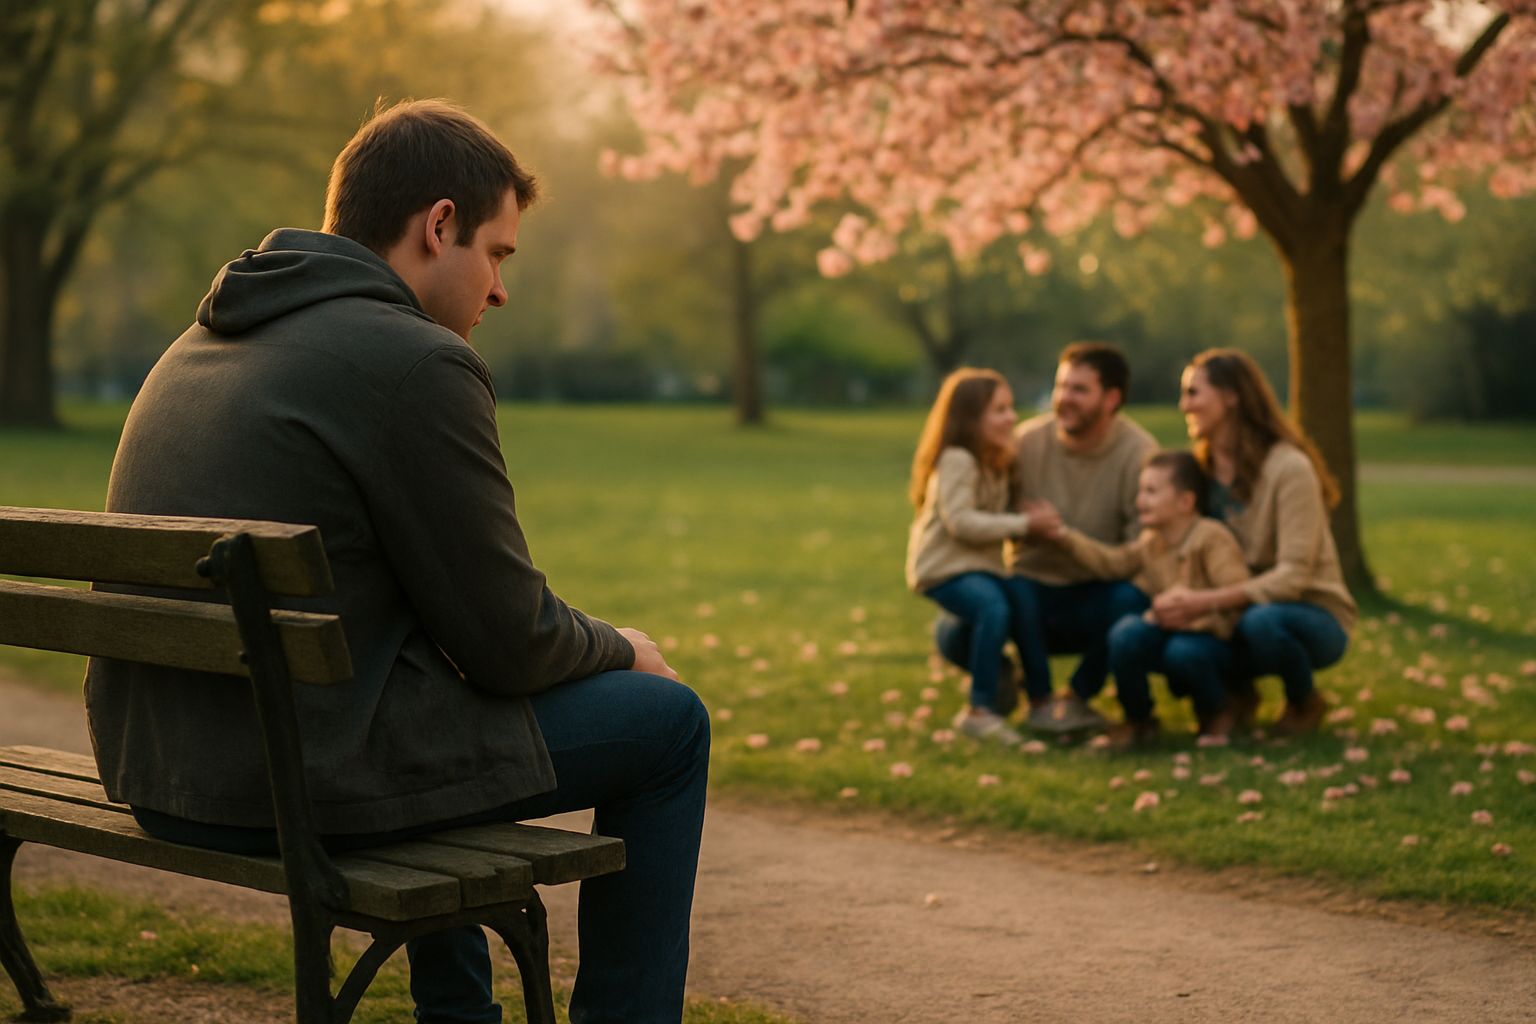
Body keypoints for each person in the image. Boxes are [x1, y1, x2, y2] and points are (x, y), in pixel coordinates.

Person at [84, 100, 708, 1024]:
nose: (499, 291)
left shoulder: (200, 342)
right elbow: (511, 642)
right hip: (292, 786)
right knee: (668, 725)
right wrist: (621, 646)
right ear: (439, 225)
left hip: (156, 771)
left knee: (427, 704)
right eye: (497, 254)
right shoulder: (414, 359)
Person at [935, 342, 1156, 732]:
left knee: (1134, 599)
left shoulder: (1139, 455)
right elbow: (976, 503)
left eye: (1079, 390)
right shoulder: (1024, 442)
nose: (1064, 399)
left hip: (1094, 596)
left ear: (1112, 399)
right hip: (1029, 596)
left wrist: (1065, 539)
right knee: (954, 632)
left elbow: (1140, 555)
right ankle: (1019, 692)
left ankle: (1075, 699)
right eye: (1061, 386)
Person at [1153, 348, 1358, 736]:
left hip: (1308, 614)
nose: (1185, 404)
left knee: (1262, 621)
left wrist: (1205, 602)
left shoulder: (1289, 468)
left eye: (1194, 393)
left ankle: (1303, 701)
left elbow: (1293, 577)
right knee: (1180, 652)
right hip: (1234, 617)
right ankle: (1232, 700)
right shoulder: (1199, 473)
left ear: (1231, 396)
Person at [1050, 450, 1252, 748]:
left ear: (1185, 502)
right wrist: (1063, 536)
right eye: (1141, 491)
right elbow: (1113, 563)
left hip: (1216, 640)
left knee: (1183, 651)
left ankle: (1219, 710)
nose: (1139, 501)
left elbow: (1239, 598)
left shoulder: (1211, 537)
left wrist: (1193, 618)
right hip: (1174, 634)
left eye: (1151, 492)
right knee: (1126, 633)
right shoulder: (1151, 542)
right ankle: (1139, 719)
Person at [906, 368, 1038, 745]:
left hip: (978, 568)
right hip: (943, 568)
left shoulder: (995, 459)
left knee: (1013, 601)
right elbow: (961, 522)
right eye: (999, 410)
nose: (1011, 417)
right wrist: (1023, 525)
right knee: (991, 608)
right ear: (970, 418)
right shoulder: (957, 459)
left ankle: (1025, 689)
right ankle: (980, 710)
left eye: (1011, 408)